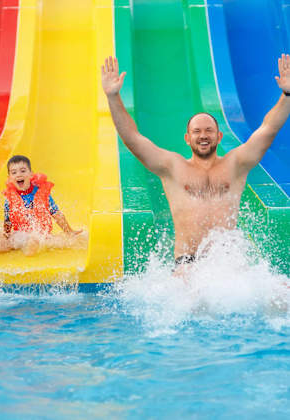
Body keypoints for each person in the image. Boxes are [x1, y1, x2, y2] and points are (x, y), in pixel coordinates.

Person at [101, 54, 290, 271]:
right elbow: (132, 139)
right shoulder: (173, 167)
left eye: (209, 131)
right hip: (187, 263)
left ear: (219, 137)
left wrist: (287, 94)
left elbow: (268, 129)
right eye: (197, 131)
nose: (203, 136)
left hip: (226, 261)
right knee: (188, 293)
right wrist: (113, 97)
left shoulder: (236, 164)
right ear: (187, 138)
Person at [0, 155, 85, 256]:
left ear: (31, 174)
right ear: (10, 178)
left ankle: (32, 246)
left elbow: (56, 213)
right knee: (1, 241)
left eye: (23, 171)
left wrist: (69, 231)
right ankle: (0, 245)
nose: (18, 175)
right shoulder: (10, 197)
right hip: (20, 235)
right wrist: (6, 234)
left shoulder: (41, 192)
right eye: (14, 172)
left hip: (41, 234)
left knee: (49, 240)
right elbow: (7, 220)